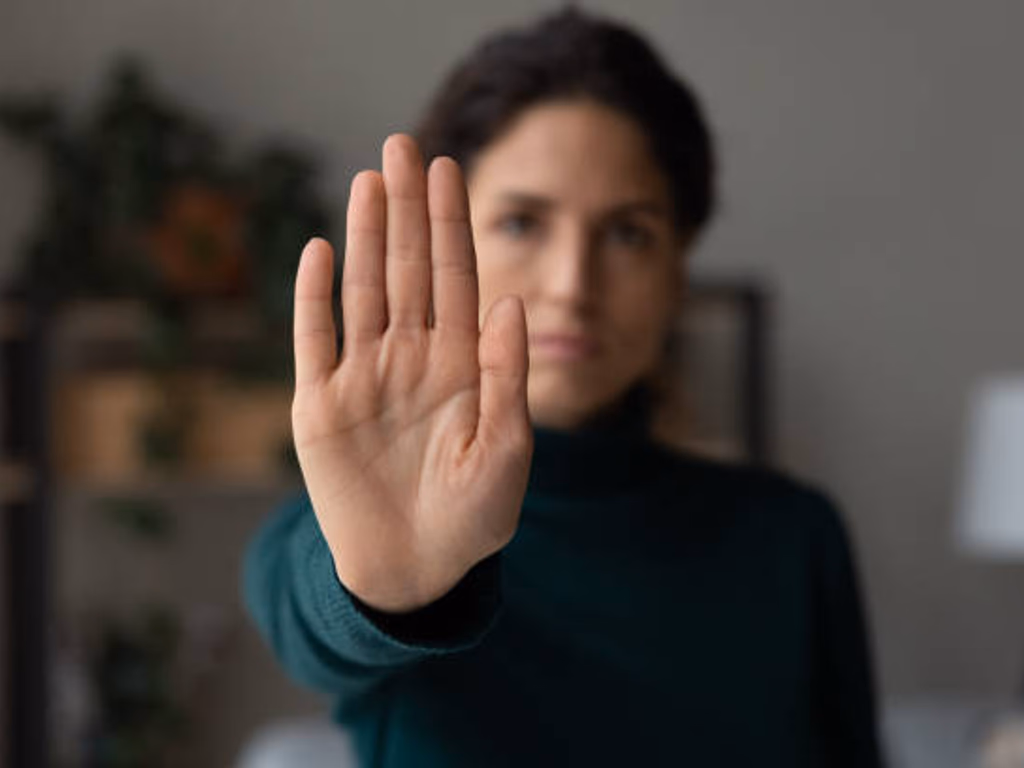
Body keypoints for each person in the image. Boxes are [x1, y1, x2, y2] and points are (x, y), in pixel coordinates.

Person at [242, 7, 885, 766]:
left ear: (677, 270)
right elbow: (315, 620)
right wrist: (389, 587)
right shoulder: (355, 523)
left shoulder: (793, 539)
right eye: (522, 223)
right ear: (443, 237)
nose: (573, 285)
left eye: (628, 232)